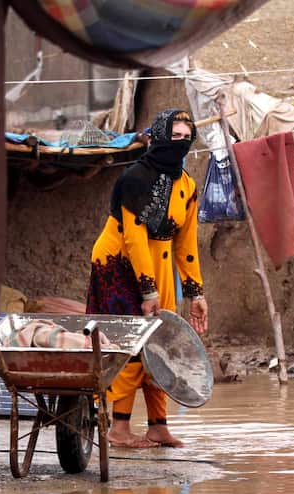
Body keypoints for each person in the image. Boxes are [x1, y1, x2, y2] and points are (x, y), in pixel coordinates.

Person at [87, 109, 209, 449]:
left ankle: (158, 426)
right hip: (118, 265)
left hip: (161, 261)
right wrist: (147, 289)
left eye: (187, 138)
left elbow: (187, 242)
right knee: (130, 346)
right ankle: (119, 429)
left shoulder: (187, 185)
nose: (180, 144)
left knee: (163, 342)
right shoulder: (134, 179)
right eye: (175, 136)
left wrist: (195, 292)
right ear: (158, 136)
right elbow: (133, 238)